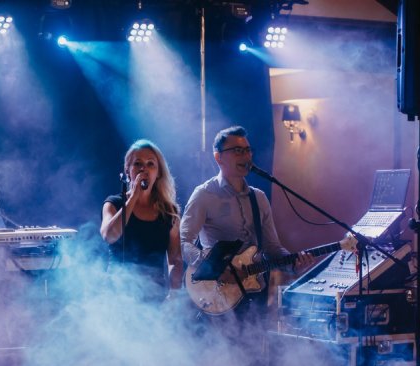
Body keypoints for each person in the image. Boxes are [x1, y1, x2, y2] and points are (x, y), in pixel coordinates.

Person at [180, 125, 312, 320]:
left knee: (256, 340)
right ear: (218, 157)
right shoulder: (205, 194)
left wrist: (293, 264)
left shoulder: (259, 198)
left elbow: (272, 248)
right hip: (218, 293)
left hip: (255, 293)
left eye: (248, 150)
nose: (246, 156)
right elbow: (183, 242)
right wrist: (213, 268)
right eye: (238, 151)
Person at [100, 139, 182, 302]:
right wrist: (133, 197)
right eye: (137, 164)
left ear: (158, 173)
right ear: (127, 170)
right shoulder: (113, 204)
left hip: (154, 297)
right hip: (116, 296)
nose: (143, 169)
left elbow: (175, 260)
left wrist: (174, 294)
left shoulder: (169, 212)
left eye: (150, 164)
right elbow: (109, 235)